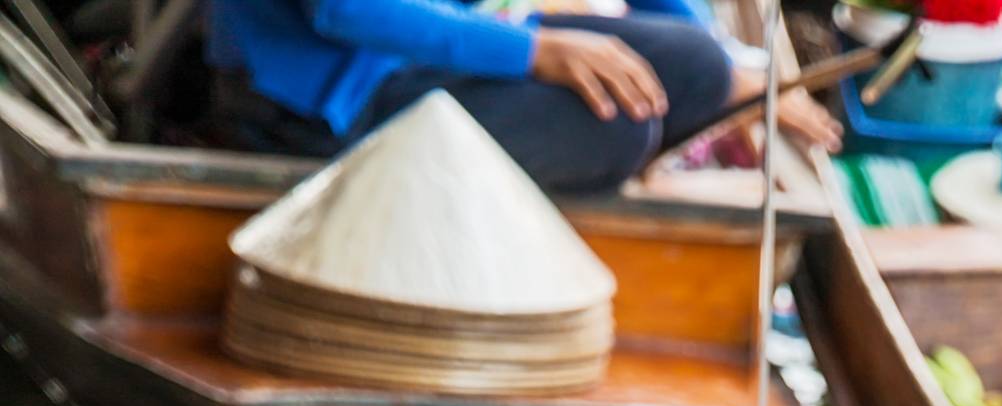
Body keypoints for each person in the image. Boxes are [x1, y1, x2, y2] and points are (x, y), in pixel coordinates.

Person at [209, 0, 767, 191]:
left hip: (431, 51)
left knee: (697, 68)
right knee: (617, 128)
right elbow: (346, 10)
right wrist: (533, 51)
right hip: (332, 102)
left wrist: (737, 73)